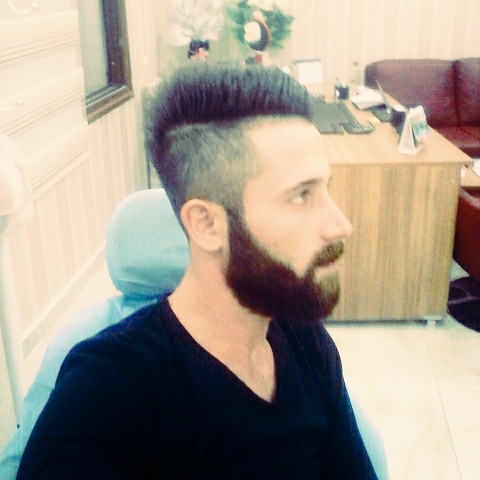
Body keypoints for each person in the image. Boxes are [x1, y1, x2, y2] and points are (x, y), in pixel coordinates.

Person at [16, 63, 378, 479]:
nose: (340, 224)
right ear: (206, 224)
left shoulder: (306, 343)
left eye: (325, 188)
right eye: (301, 195)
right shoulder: (103, 398)